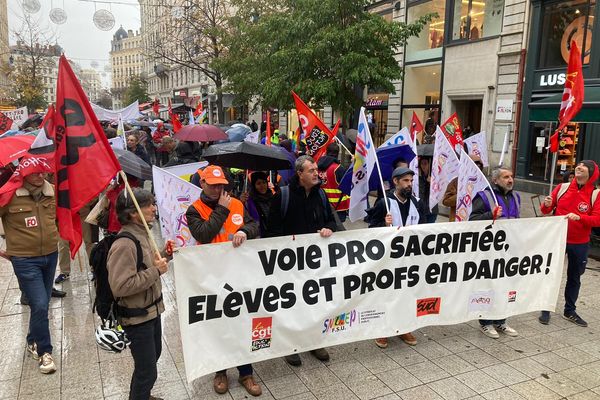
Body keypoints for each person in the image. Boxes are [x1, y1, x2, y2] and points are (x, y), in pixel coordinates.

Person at [185, 165, 262, 396]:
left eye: (221, 185)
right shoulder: (194, 209)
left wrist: (245, 232)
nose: (218, 188)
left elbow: (254, 225)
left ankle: (246, 372)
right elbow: (203, 234)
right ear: (202, 184)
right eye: (213, 184)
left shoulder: (237, 203)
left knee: (241, 322)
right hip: (210, 277)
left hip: (238, 274)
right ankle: (220, 372)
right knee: (217, 324)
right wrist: (221, 208)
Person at [267, 155, 337, 366]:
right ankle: (291, 346)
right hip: (290, 265)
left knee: (315, 303)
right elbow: (272, 230)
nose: (317, 173)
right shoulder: (283, 196)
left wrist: (328, 228)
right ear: (300, 174)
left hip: (314, 264)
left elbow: (331, 221)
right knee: (292, 305)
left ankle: (314, 341)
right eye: (311, 170)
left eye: (317, 169)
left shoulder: (321, 195)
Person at [107, 188, 170, 400]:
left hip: (152, 311)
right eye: (149, 205)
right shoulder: (124, 244)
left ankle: (142, 394)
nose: (154, 208)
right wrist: (156, 271)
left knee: (152, 360)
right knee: (147, 371)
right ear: (134, 213)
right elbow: (121, 286)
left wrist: (165, 255)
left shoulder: (143, 233)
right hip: (137, 317)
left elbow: (147, 264)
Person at [0, 171, 59, 374]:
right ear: (24, 174)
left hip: (50, 255)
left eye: (43, 171)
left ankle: (32, 340)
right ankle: (45, 352)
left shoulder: (51, 192)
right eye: (34, 173)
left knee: (41, 304)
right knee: (40, 304)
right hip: (24, 259)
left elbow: (61, 215)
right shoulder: (9, 194)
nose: (40, 176)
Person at [367, 167, 425, 348]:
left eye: (411, 181)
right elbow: (370, 231)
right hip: (388, 259)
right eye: (406, 181)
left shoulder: (415, 203)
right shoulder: (384, 203)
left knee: (406, 293)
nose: (409, 184)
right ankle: (383, 329)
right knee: (387, 294)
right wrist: (383, 225)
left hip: (409, 257)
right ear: (395, 182)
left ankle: (403, 327)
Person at [539, 160, 600, 327]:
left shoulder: (595, 194)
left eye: (584, 166)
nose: (579, 167)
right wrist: (546, 204)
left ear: (592, 173)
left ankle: (569, 310)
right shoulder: (562, 188)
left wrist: (580, 217)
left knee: (574, 277)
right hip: (557, 240)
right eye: (578, 165)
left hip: (580, 243)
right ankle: (546, 308)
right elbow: (546, 211)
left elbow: (597, 220)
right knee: (551, 274)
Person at [469, 167, 520, 338]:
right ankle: (485, 322)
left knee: (505, 286)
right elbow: (472, 220)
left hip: (508, 250)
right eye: (506, 177)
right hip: (489, 250)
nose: (510, 180)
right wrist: (489, 215)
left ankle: (501, 320)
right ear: (495, 180)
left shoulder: (516, 196)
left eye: (511, 176)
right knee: (488, 285)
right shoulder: (484, 196)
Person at [442, 155, 483, 222]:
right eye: (474, 167)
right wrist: (462, 194)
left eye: (478, 167)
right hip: (458, 221)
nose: (476, 170)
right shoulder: (456, 181)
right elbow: (446, 201)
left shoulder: (483, 183)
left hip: (476, 222)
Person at [318, 143, 350, 222]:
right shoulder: (338, 168)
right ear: (337, 153)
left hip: (321, 204)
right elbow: (348, 186)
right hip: (338, 206)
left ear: (326, 151)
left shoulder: (316, 167)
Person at [240, 171, 273, 237]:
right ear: (254, 186)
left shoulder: (273, 197)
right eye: (258, 183)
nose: (262, 186)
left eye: (264, 182)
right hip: (258, 237)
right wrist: (242, 202)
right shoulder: (249, 201)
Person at [418, 157, 438, 223]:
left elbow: (438, 193)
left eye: (425, 164)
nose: (423, 166)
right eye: (422, 164)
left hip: (432, 209)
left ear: (429, 165)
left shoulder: (435, 177)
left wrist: (432, 183)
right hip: (421, 209)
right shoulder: (418, 178)